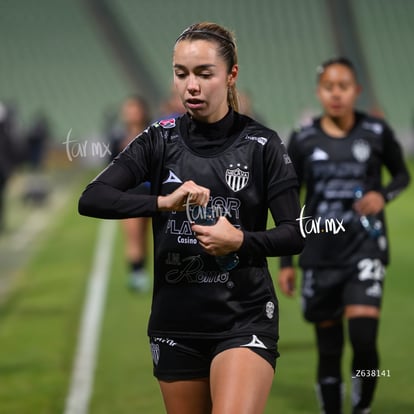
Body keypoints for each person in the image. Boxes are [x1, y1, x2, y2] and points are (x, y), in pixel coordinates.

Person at [79, 21, 304, 414]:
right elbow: (93, 198)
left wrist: (241, 241)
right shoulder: (158, 138)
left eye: (204, 73)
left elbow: (294, 233)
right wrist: (163, 204)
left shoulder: (263, 144)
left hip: (244, 320)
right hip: (175, 324)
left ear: (231, 75)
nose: (191, 86)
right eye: (181, 74)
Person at [278, 57, 410, 414]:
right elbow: (290, 200)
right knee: (329, 346)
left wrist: (382, 194)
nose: (336, 94)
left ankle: (362, 407)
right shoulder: (303, 139)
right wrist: (287, 261)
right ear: (319, 92)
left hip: (365, 249)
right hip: (320, 254)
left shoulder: (377, 132)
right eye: (328, 87)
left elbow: (401, 176)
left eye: (344, 86)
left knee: (364, 340)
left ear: (357, 91)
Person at [107, 94, 152, 292]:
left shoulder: (153, 133)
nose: (131, 113)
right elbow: (109, 166)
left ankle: (144, 270)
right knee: (133, 234)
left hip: (150, 192)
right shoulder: (118, 137)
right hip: (127, 193)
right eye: (128, 109)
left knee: (146, 235)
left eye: (135, 108)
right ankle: (136, 275)